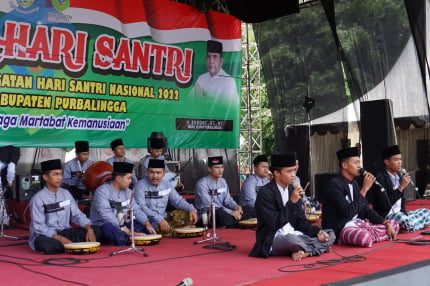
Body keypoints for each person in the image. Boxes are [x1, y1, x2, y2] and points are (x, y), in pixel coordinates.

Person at [249, 153, 335, 260]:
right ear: (276, 173)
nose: (293, 174)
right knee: (292, 240)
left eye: (294, 170)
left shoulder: (291, 190)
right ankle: (313, 249)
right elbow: (274, 223)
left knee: (330, 234)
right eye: (289, 171)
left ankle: (305, 251)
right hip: (274, 238)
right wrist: (291, 203)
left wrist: (317, 232)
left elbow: (300, 221)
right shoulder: (265, 193)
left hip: (295, 233)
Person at [321, 147, 399, 247]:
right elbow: (347, 212)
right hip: (340, 229)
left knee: (394, 224)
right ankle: (373, 234)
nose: (359, 166)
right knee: (364, 237)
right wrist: (364, 189)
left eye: (359, 162)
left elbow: (366, 209)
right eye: (356, 163)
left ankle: (374, 233)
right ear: (344, 165)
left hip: (357, 224)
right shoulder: (333, 185)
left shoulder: (354, 184)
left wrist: (385, 223)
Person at [29, 159, 100, 254]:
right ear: (45, 177)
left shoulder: (66, 194)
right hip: (47, 235)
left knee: (97, 230)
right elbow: (39, 227)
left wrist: (89, 228)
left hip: (66, 232)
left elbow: (77, 215)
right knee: (45, 244)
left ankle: (69, 246)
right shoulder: (38, 199)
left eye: (60, 174)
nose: (59, 178)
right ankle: (73, 245)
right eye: (55, 174)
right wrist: (59, 238)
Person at [90, 162, 156, 245]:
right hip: (106, 224)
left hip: (123, 223)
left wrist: (147, 223)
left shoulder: (128, 192)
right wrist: (128, 231)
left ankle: (129, 237)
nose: (130, 181)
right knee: (109, 230)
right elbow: (107, 215)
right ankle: (129, 237)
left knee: (152, 222)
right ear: (118, 178)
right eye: (128, 178)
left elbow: (135, 210)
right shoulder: (102, 191)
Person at [373, 145, 430, 232]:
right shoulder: (380, 178)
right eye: (396, 160)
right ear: (387, 162)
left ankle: (406, 225)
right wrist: (401, 187)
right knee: (404, 219)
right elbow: (384, 205)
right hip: (387, 215)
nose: (400, 162)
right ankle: (411, 224)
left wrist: (404, 213)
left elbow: (401, 201)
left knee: (426, 211)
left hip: (399, 214)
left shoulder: (399, 176)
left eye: (400, 159)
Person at [134, 159, 197, 234]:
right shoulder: (140, 185)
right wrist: (158, 219)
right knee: (149, 226)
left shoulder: (167, 184)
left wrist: (191, 209)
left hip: (164, 218)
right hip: (148, 220)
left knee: (188, 215)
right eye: (151, 172)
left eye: (158, 173)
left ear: (164, 173)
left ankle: (175, 229)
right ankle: (178, 230)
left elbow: (178, 201)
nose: (155, 176)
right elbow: (141, 207)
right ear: (147, 172)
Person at [194, 156, 243, 228]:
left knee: (246, 209)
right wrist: (230, 212)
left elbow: (228, 200)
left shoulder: (223, 181)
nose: (220, 170)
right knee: (220, 213)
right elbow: (209, 205)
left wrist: (236, 207)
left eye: (222, 167)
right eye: (217, 167)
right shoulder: (202, 183)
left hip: (222, 211)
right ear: (209, 169)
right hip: (207, 215)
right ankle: (237, 223)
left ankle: (234, 222)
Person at [192, 40, 239, 106]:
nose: (211, 61)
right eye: (209, 57)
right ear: (206, 59)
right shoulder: (201, 78)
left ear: (221, 61)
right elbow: (190, 102)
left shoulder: (228, 81)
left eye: (215, 57)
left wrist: (202, 99)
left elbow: (225, 108)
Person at [239, 154, 270, 219]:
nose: (266, 169)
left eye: (267, 167)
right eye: (263, 167)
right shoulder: (250, 182)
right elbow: (252, 203)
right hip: (249, 210)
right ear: (255, 168)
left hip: (263, 208)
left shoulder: (267, 181)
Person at [0, 146, 20, 226]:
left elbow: (11, 169)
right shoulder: (15, 149)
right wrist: (9, 182)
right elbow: (11, 169)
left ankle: (4, 221)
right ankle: (4, 222)